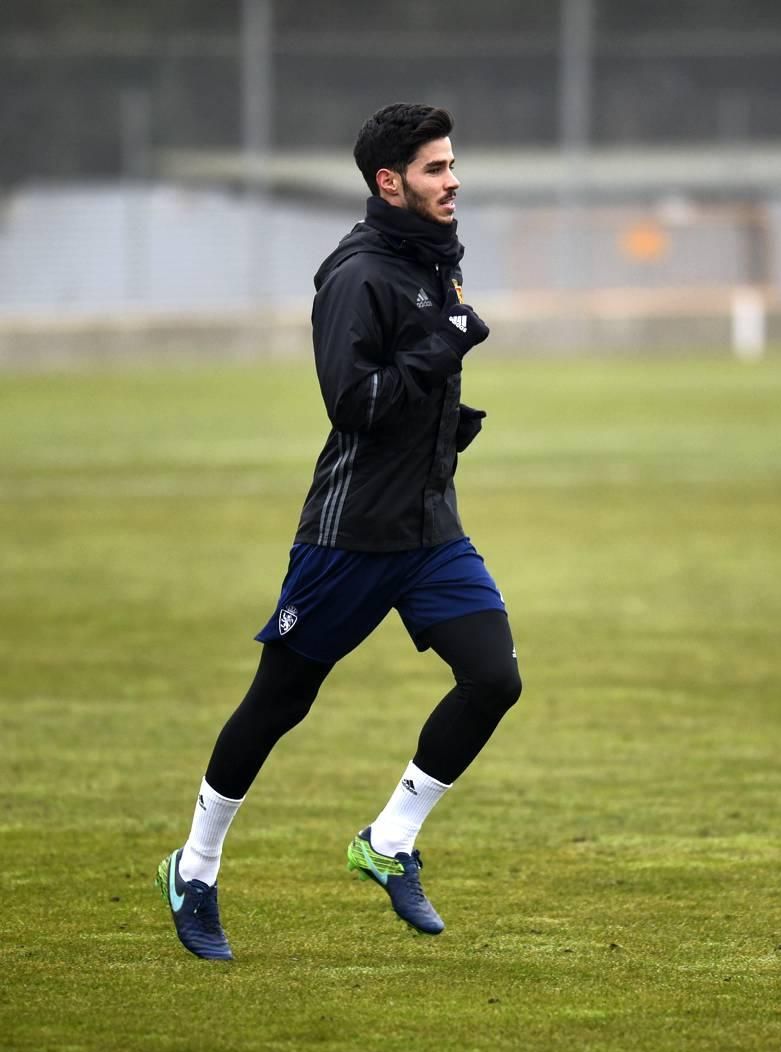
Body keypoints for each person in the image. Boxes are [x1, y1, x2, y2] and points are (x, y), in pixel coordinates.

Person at [155, 102, 522, 960]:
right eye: (435, 169)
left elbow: (413, 377)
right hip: (349, 538)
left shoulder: (435, 260)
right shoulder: (357, 275)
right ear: (389, 182)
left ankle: (387, 842)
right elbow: (352, 404)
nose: (453, 179)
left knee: (493, 679)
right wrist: (444, 347)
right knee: (279, 702)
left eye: (452, 164)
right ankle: (195, 866)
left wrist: (447, 418)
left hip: (430, 531)